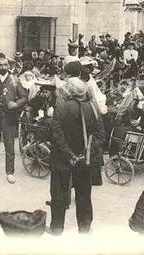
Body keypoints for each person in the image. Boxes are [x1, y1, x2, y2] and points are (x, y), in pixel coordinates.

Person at [48, 78, 98, 235]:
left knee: (58, 193)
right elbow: (101, 136)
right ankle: (84, 228)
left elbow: (57, 135)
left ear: (69, 91)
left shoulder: (60, 108)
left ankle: (56, 228)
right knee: (84, 194)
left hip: (62, 158)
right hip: (84, 159)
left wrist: (70, 155)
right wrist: (85, 153)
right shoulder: (92, 108)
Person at [0, 54, 28, 184]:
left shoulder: (15, 81)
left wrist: (16, 104)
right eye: (0, 65)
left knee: (9, 145)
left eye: (5, 64)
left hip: (9, 118)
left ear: (9, 66)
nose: (3, 67)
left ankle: (10, 172)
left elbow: (24, 97)